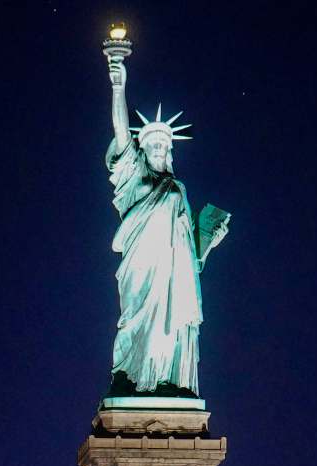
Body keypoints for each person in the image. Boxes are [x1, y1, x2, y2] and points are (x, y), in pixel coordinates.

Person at [105, 55, 228, 397]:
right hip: (141, 268)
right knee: (135, 320)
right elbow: (119, 130)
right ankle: (131, 378)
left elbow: (189, 254)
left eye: (164, 144)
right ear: (141, 148)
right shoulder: (134, 178)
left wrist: (208, 241)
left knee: (171, 326)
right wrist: (119, 85)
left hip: (174, 276)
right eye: (152, 144)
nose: (159, 148)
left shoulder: (177, 190)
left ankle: (168, 381)